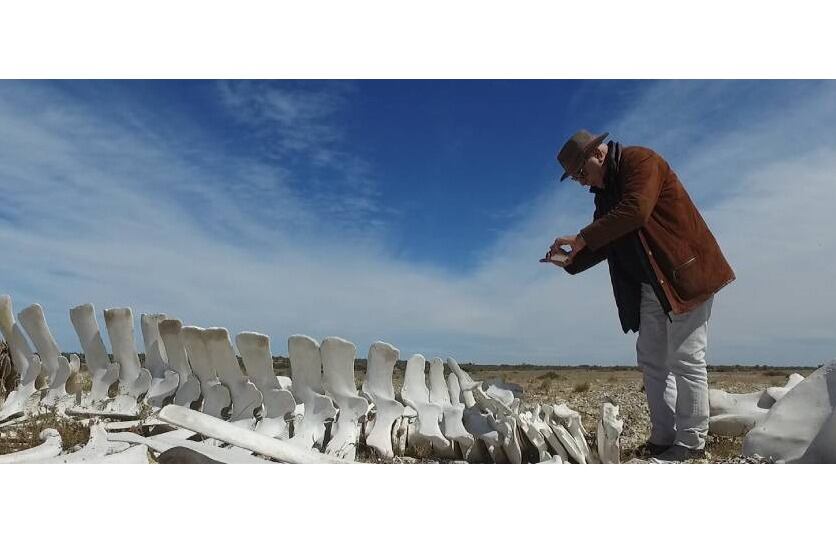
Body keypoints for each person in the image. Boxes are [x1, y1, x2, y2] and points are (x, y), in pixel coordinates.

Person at [543, 129, 735, 462]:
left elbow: (636, 210)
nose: (581, 182)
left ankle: (691, 443)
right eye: (575, 178)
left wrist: (581, 238)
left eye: (580, 172)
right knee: (651, 360)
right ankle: (663, 437)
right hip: (650, 286)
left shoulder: (641, 160)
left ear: (598, 154)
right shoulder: (603, 194)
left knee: (686, 357)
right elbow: (605, 240)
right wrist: (570, 262)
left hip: (684, 277)